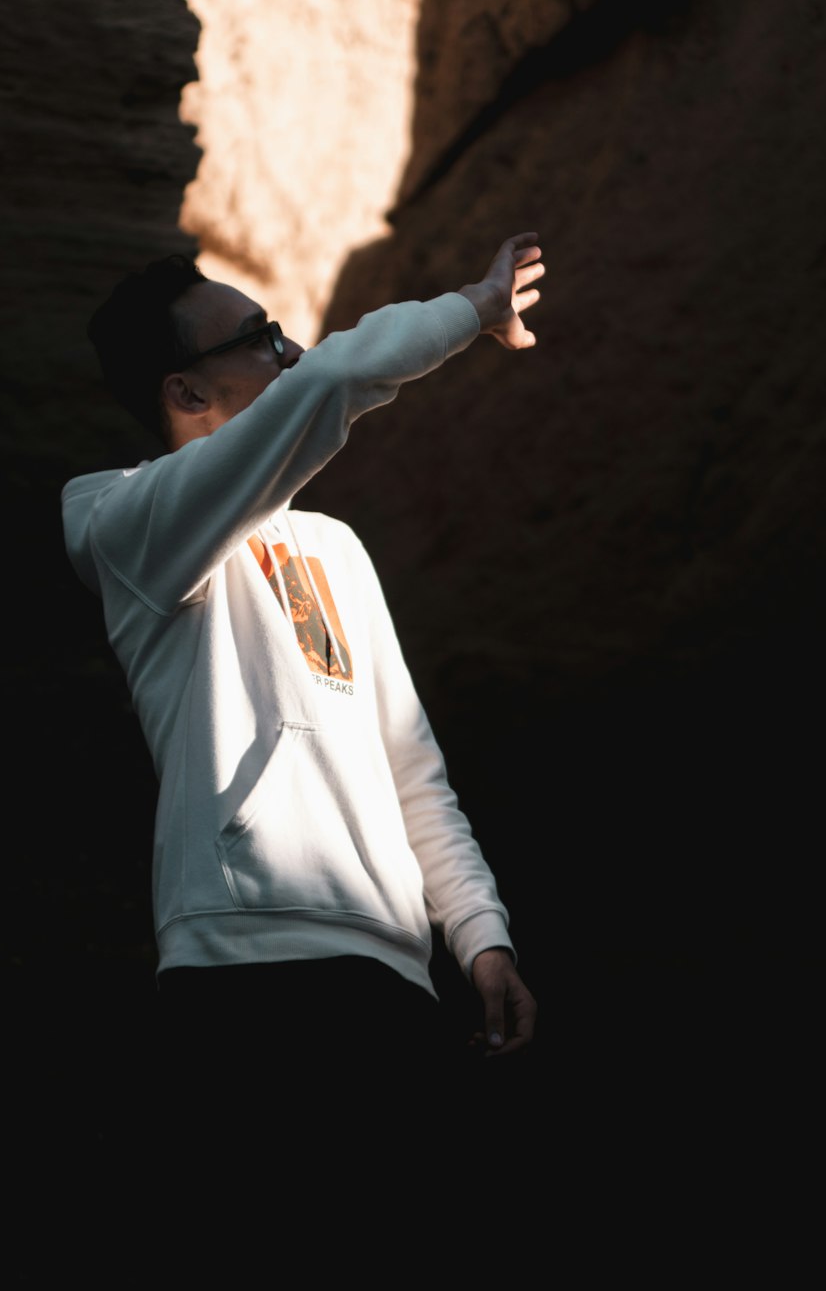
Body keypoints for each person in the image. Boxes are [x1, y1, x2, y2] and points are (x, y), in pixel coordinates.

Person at [62, 233, 542, 1083]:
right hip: (238, 970)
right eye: (261, 336)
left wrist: (479, 936)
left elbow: (411, 770)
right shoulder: (122, 522)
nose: (293, 351)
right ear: (187, 390)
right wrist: (474, 309)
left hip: (395, 973)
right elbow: (326, 383)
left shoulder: (337, 549)